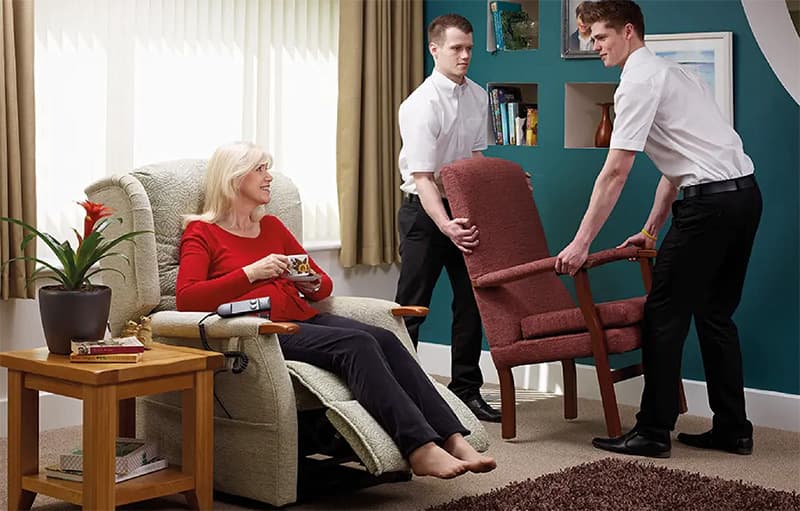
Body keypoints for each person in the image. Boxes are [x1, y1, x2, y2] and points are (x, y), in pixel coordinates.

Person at [176, 141, 496, 479]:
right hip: (262, 330)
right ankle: (419, 447)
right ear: (233, 178)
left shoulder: (271, 227)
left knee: (385, 338)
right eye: (260, 169)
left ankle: (453, 438)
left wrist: (308, 281)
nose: (269, 177)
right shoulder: (203, 232)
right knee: (356, 345)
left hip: (303, 318)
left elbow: (323, 286)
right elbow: (187, 299)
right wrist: (251, 273)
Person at [555, 0, 761, 458]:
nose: (595, 46)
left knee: (663, 314)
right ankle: (734, 429)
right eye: (590, 39)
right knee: (715, 315)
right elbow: (677, 165)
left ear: (629, 32)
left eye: (601, 37)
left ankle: (651, 431)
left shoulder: (637, 83)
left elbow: (615, 172)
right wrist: (651, 231)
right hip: (744, 196)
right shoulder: (679, 75)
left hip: (708, 208)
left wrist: (581, 242)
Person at [395, 14, 501, 423]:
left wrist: (501, 181)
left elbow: (475, 159)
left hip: (463, 210)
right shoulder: (420, 105)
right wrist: (444, 224)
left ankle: (466, 391)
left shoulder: (477, 96)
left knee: (473, 301)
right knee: (412, 305)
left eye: (470, 48)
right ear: (434, 49)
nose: (465, 56)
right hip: (425, 215)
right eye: (456, 48)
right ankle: (402, 389)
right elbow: (422, 177)